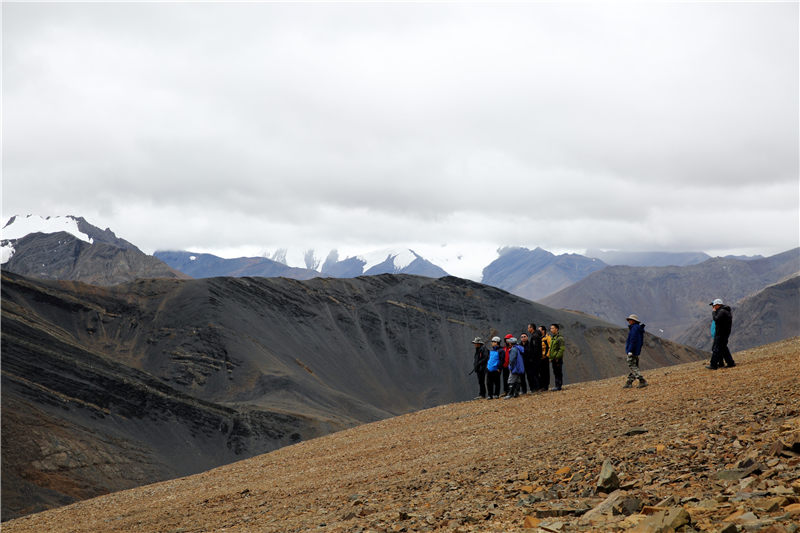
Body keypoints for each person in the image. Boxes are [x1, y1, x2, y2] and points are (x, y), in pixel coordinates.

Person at [707, 298, 736, 369]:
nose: (713, 307)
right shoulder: (725, 311)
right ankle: (730, 363)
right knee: (723, 348)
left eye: (714, 306)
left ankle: (713, 365)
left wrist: (713, 312)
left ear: (718, 305)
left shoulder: (722, 311)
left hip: (721, 334)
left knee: (716, 349)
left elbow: (716, 319)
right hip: (724, 333)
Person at [622, 314, 648, 388]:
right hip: (636, 350)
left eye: (630, 320)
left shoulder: (634, 329)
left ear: (633, 321)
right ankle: (629, 382)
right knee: (635, 365)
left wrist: (630, 350)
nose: (629, 321)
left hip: (633, 350)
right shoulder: (638, 328)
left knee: (632, 365)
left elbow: (633, 340)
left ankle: (642, 381)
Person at [525, 324, 542, 393]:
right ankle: (538, 388)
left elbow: (535, 348)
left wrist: (532, 357)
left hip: (535, 359)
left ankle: (537, 388)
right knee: (536, 373)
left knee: (535, 373)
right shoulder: (535, 335)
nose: (528, 329)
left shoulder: (535, 336)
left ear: (531, 328)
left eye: (528, 328)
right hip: (537, 358)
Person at [548, 323, 565, 391]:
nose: (551, 330)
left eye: (552, 328)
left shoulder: (560, 338)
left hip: (557, 359)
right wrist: (550, 357)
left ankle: (558, 386)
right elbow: (551, 349)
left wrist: (557, 357)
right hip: (553, 358)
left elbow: (561, 349)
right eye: (551, 328)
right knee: (555, 372)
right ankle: (556, 385)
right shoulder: (553, 338)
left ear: (556, 329)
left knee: (558, 372)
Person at [539, 325, 551, 391]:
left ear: (543, 331)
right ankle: (541, 386)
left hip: (545, 358)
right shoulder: (539, 338)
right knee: (541, 372)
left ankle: (545, 386)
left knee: (545, 372)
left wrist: (547, 355)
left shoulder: (547, 338)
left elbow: (550, 347)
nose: (538, 331)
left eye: (539, 330)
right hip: (540, 358)